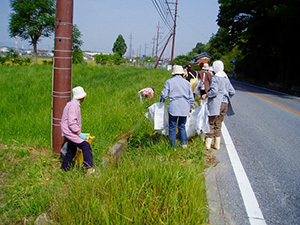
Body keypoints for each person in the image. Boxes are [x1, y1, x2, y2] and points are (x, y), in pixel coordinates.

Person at [202, 61, 235, 150]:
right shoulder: (226, 78)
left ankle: (208, 144)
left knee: (211, 122)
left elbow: (214, 91)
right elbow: (232, 91)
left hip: (216, 103)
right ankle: (217, 144)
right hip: (225, 103)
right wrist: (226, 97)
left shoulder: (216, 78)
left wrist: (207, 95)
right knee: (219, 123)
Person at [60, 86, 94, 174]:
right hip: (70, 131)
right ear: (81, 97)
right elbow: (71, 123)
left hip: (70, 131)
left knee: (72, 149)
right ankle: (89, 169)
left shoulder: (72, 104)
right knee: (85, 146)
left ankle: (64, 168)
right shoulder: (73, 106)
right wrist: (79, 133)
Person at [160, 65, 195, 148]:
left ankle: (173, 146)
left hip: (173, 107)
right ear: (182, 74)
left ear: (173, 74)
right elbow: (191, 97)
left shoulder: (169, 82)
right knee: (182, 126)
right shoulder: (187, 83)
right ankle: (184, 144)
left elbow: (164, 95)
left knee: (172, 127)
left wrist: (161, 99)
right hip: (184, 107)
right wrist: (191, 107)